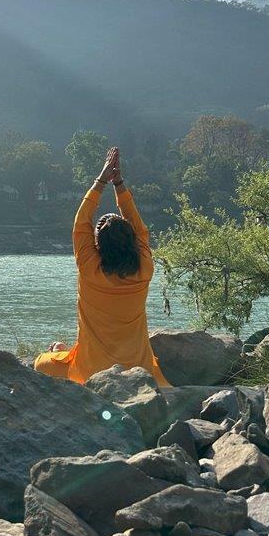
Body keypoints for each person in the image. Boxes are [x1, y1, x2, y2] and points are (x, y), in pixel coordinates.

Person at [34, 147, 170, 385]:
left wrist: (101, 181)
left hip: (90, 372)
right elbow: (140, 230)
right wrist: (119, 184)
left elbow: (81, 222)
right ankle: (64, 350)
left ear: (97, 243)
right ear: (132, 241)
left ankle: (61, 351)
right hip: (138, 373)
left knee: (39, 363)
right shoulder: (144, 268)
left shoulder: (90, 268)